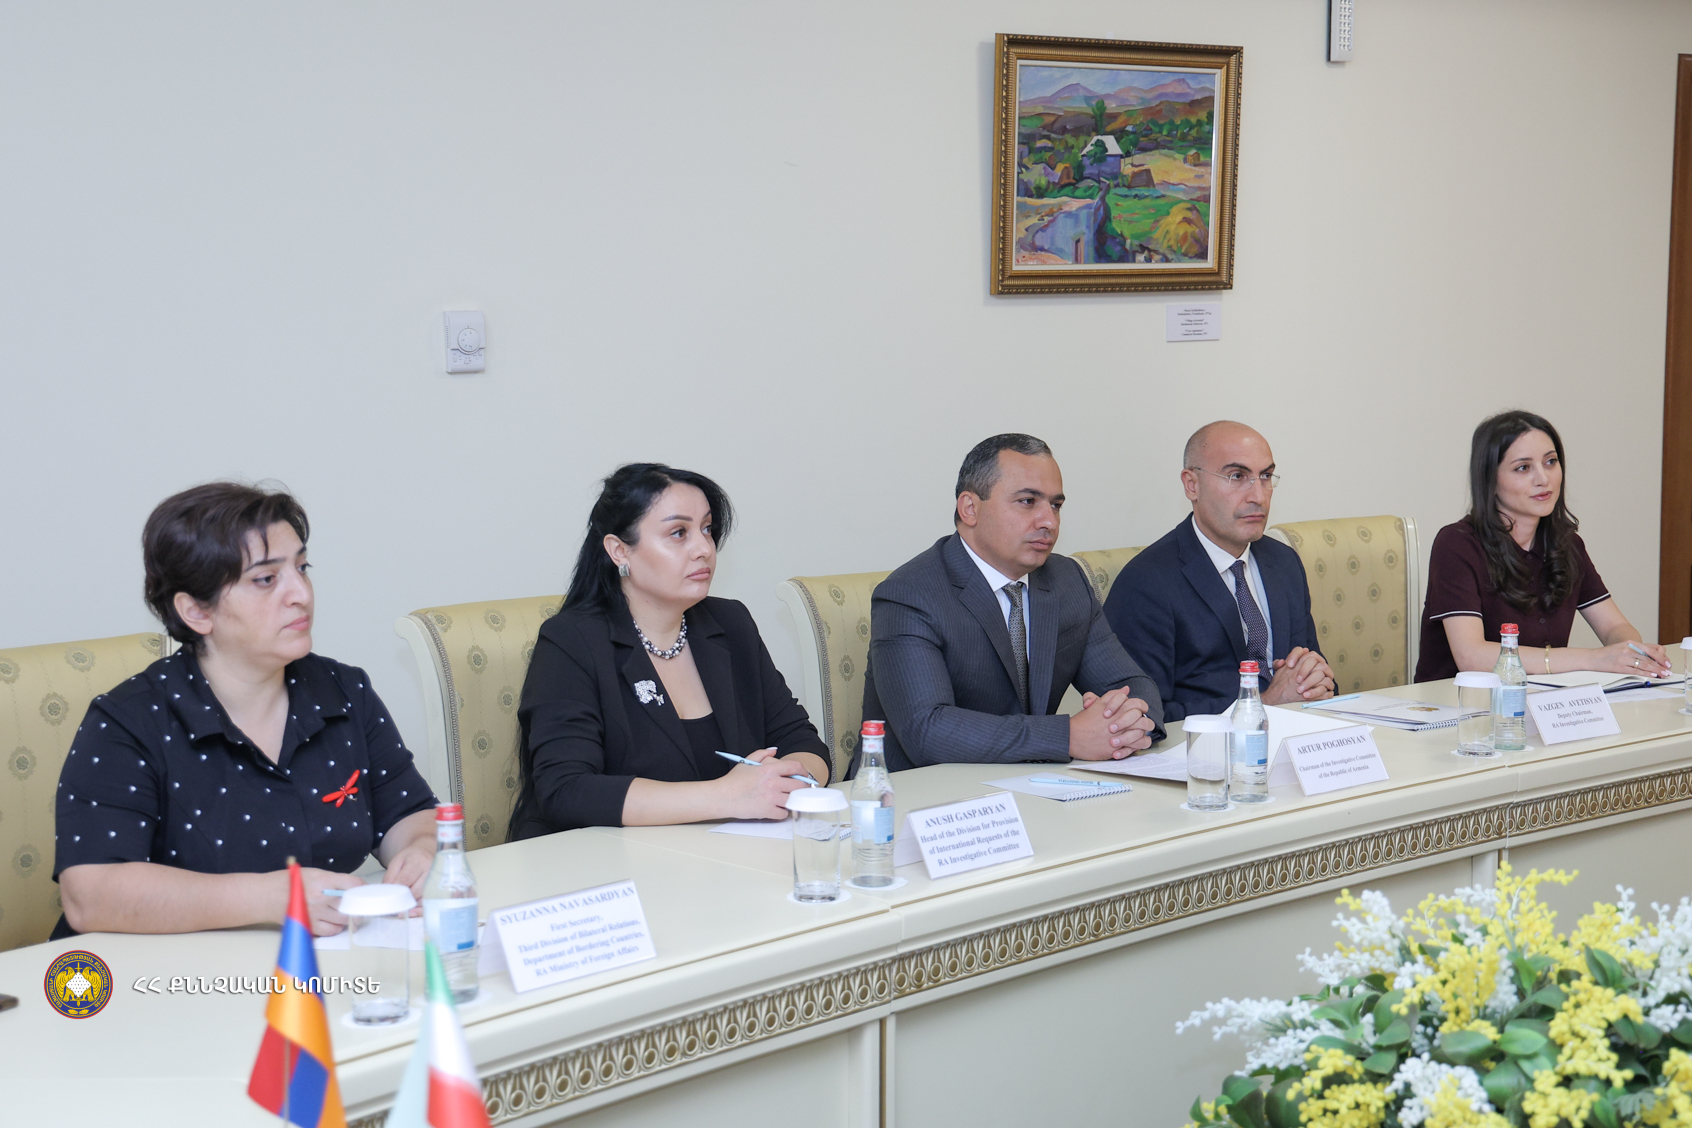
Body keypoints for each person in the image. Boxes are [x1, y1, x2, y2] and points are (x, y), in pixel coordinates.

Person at [53, 483, 439, 939]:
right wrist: (273, 897)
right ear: (196, 612)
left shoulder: (344, 692)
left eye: (302, 568)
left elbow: (410, 813)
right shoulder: (128, 721)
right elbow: (90, 895)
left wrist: (420, 851)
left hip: (314, 964)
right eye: (266, 579)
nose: (301, 593)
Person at [510, 464, 830, 837]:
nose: (704, 549)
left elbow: (802, 742)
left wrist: (787, 781)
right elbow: (567, 790)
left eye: (707, 529)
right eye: (679, 533)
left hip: (725, 854)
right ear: (619, 551)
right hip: (602, 861)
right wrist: (727, 795)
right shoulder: (571, 640)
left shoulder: (731, 623)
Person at [857, 434, 1164, 774]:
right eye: (1028, 502)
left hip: (1032, 784)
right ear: (970, 509)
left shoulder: (1067, 580)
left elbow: (1134, 685)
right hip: (915, 793)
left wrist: (1121, 723)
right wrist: (1068, 736)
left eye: (1056, 505)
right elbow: (927, 730)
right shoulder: (909, 594)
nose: (1049, 521)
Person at [1415, 410, 1670, 682]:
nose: (1543, 479)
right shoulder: (1456, 543)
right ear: (1490, 480)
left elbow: (1614, 626)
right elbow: (1472, 657)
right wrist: (1594, 658)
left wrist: (1630, 651)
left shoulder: (1567, 544)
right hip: (1457, 702)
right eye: (1523, 468)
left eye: (1550, 462)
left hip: (1540, 698)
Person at [1105, 421, 1335, 721]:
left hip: (1296, 738)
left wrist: (1315, 681)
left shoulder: (1284, 562)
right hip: (1205, 748)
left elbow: (1315, 673)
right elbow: (1144, 717)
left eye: (1265, 476)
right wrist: (1263, 706)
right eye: (1237, 476)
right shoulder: (1146, 582)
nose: (1258, 496)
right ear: (1192, 485)